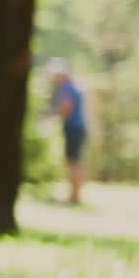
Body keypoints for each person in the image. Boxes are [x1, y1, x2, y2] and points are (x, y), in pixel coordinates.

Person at [46, 58, 87, 205]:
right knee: (75, 162)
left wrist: (49, 114)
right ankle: (75, 196)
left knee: (73, 162)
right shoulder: (73, 86)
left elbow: (65, 109)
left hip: (73, 128)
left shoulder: (67, 88)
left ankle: (74, 197)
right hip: (77, 128)